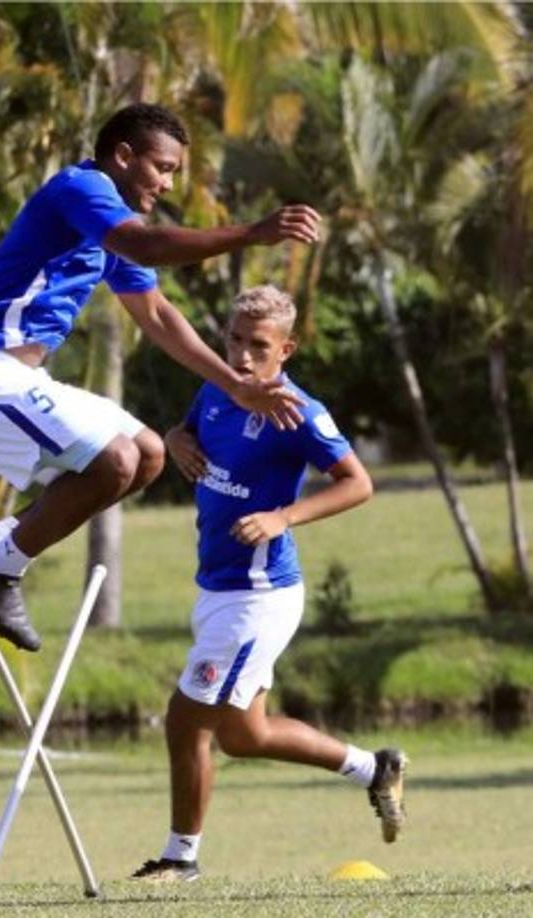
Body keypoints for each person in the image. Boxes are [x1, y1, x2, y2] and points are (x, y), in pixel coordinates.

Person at [0, 103, 322, 652]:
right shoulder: (81, 187)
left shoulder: (110, 233)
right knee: (114, 459)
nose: (166, 184)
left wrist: (235, 386)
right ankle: (0, 566)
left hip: (14, 378)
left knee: (148, 454)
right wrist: (251, 234)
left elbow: (157, 315)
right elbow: (147, 245)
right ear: (123, 156)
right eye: (161, 168)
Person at [130, 284, 406, 883]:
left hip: (258, 598)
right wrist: (175, 437)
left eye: (259, 345)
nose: (243, 355)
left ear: (287, 349)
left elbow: (357, 482)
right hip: (217, 589)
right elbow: (189, 425)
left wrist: (284, 516)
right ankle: (373, 768)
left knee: (186, 719)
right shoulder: (216, 390)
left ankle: (181, 859)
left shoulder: (296, 411)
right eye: (234, 340)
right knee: (244, 734)